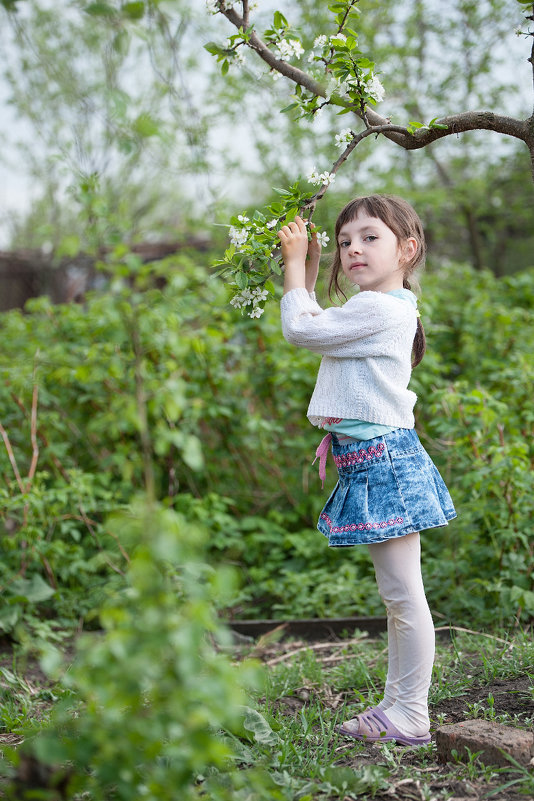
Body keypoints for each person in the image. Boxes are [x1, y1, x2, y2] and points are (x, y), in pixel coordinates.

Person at [278, 194, 456, 747]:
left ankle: (411, 713)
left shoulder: (380, 308)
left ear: (407, 249)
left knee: (404, 595)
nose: (353, 249)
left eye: (370, 238)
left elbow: (301, 330)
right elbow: (312, 317)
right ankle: (400, 706)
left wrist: (292, 265)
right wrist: (306, 263)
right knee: (398, 595)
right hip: (374, 461)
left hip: (384, 462)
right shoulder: (377, 306)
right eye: (344, 241)